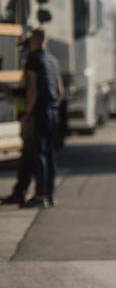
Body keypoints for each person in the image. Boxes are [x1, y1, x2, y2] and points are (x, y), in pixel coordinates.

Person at [16, 29, 62, 207]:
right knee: (50, 154)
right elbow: (60, 90)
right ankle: (50, 195)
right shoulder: (53, 60)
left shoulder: (33, 59)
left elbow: (32, 90)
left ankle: (39, 195)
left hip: (40, 112)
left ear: (34, 41)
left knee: (39, 154)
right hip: (53, 111)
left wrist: (28, 113)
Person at [0, 37, 38, 206]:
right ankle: (22, 191)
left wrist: (27, 114)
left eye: (24, 48)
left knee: (30, 157)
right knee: (29, 157)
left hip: (29, 116)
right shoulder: (38, 63)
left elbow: (29, 92)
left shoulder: (33, 63)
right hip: (30, 114)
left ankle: (23, 191)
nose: (21, 52)